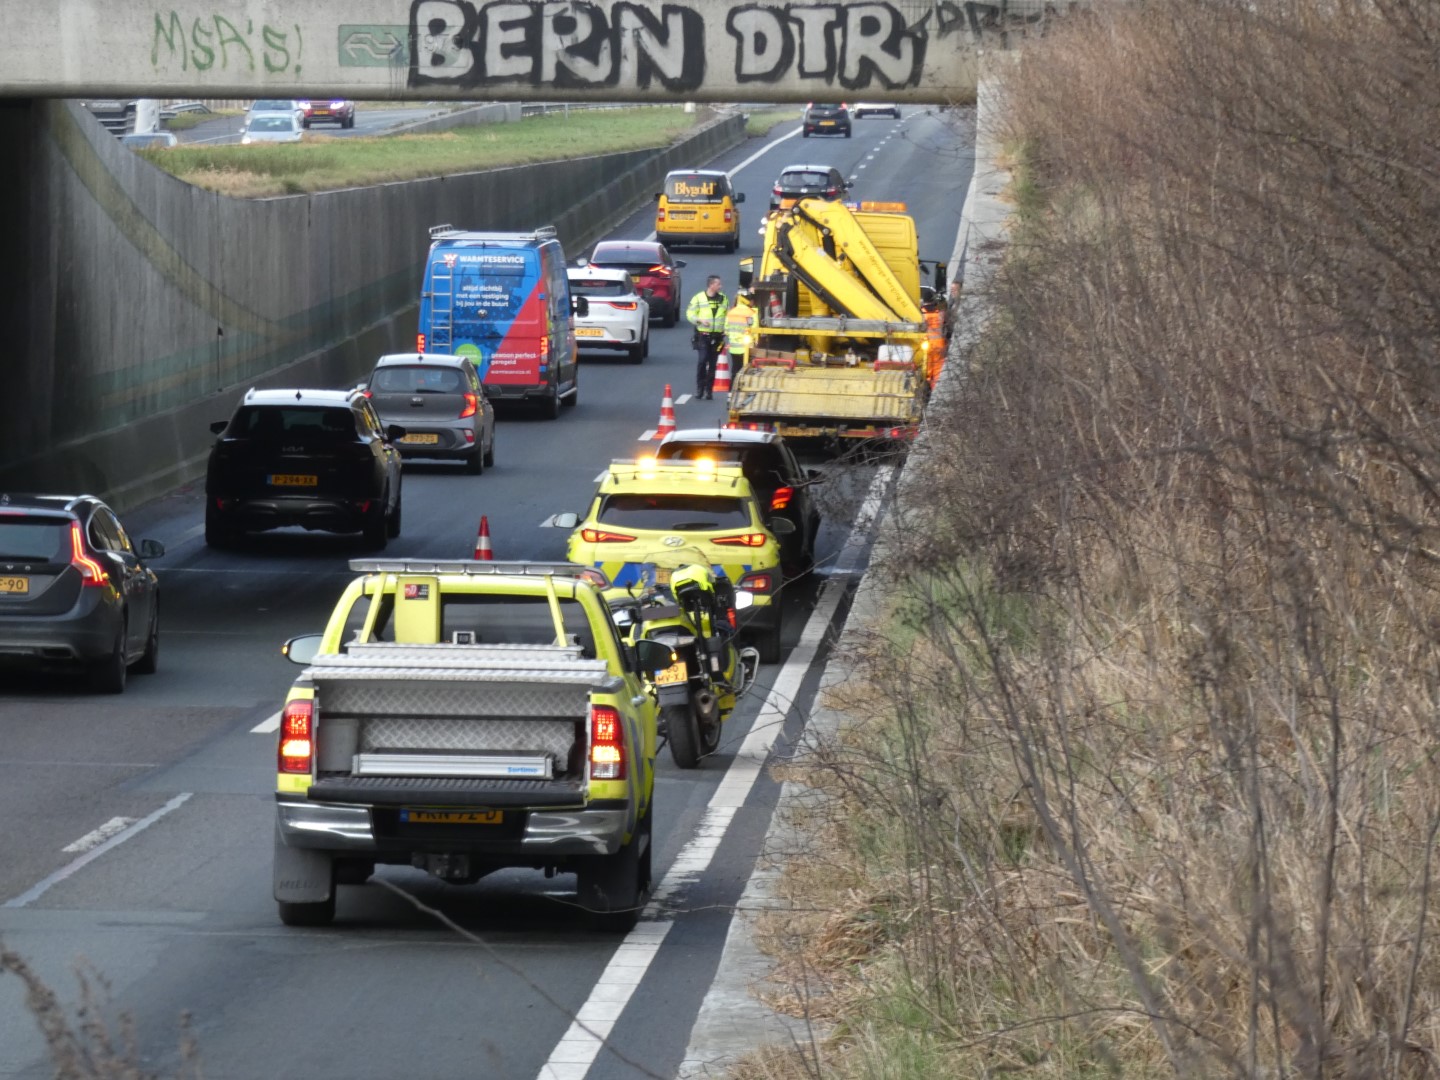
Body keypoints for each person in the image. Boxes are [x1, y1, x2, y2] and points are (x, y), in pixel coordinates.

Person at [685, 275, 728, 399]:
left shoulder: (723, 299)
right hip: (703, 335)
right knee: (702, 361)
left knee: (713, 364)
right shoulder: (698, 298)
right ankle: (700, 388)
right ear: (711, 285)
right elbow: (689, 313)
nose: (720, 286)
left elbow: (726, 315)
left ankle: (709, 391)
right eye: (718, 284)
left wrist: (725, 329)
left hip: (717, 336)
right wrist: (699, 320)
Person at [723, 289, 757, 375]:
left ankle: (733, 385)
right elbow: (755, 331)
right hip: (746, 347)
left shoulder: (731, 312)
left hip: (734, 347)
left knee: (735, 368)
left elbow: (726, 330)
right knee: (745, 369)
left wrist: (734, 337)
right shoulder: (751, 313)